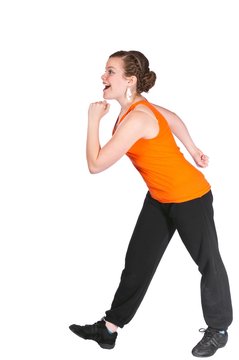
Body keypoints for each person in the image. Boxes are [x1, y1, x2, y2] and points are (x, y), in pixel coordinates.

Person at [69, 50, 233, 357]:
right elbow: (172, 119)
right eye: (105, 71)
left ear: (129, 80)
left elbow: (96, 164)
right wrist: (194, 149)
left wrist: (93, 122)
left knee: (208, 262)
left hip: (189, 197)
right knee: (138, 263)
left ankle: (219, 330)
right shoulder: (136, 106)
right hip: (159, 197)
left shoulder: (138, 118)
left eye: (110, 71)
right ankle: (109, 329)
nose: (103, 77)